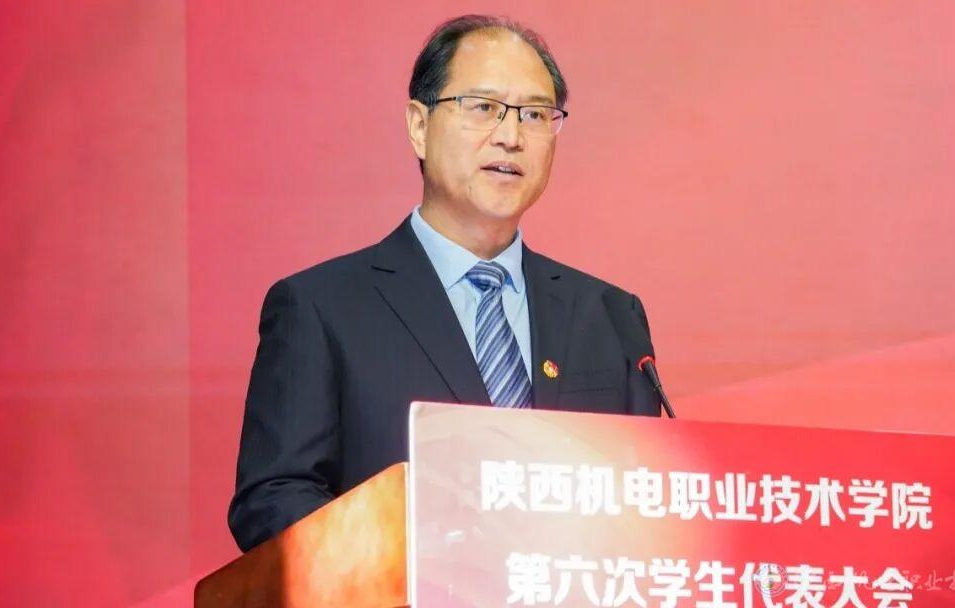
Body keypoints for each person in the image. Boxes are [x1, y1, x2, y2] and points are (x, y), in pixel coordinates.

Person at [228, 14, 660, 552]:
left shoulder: (610, 316)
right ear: (419, 125)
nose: (511, 137)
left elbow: (649, 502)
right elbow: (273, 501)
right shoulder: (321, 308)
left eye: (534, 114)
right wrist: (420, 556)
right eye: (483, 107)